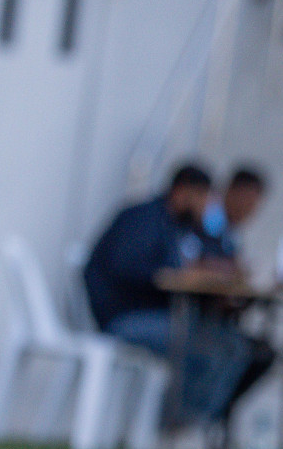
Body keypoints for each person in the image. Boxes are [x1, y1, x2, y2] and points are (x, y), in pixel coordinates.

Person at [83, 163, 251, 425]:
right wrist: (175, 273)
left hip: (156, 315)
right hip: (124, 317)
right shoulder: (142, 219)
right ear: (183, 192)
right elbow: (125, 266)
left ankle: (183, 423)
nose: (206, 207)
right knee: (212, 349)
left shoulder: (176, 226)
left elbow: (199, 256)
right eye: (203, 199)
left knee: (234, 347)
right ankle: (172, 425)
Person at [197, 166, 276, 422]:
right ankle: (198, 418)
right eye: (248, 203)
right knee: (231, 349)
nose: (250, 212)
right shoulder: (208, 221)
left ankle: (215, 415)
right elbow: (200, 263)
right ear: (232, 192)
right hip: (191, 312)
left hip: (212, 313)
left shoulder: (227, 232)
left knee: (262, 353)